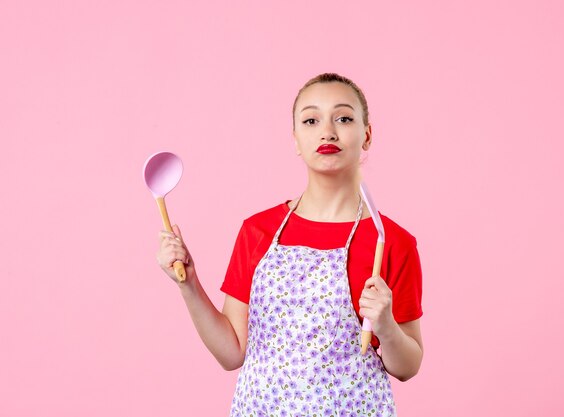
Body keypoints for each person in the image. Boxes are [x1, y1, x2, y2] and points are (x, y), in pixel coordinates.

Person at [156, 73, 424, 416]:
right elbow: (232, 353)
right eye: (311, 120)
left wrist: (386, 326)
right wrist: (189, 285)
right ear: (296, 139)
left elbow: (408, 366)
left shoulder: (391, 242)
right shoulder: (258, 231)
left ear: (366, 135)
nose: (327, 131)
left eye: (343, 118)